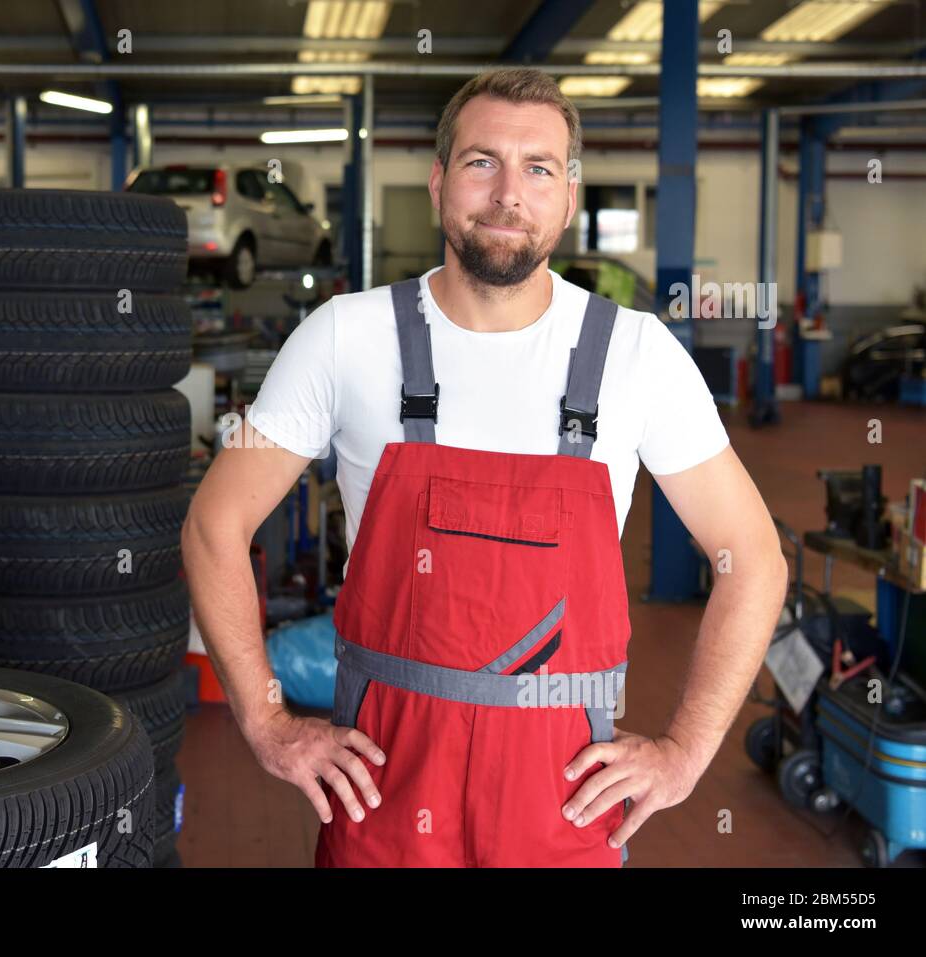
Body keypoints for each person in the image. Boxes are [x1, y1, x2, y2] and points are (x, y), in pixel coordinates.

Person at [181, 67, 788, 867]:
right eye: (481, 162)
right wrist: (265, 722)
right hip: (384, 804)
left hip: (562, 809)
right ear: (439, 182)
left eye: (539, 168)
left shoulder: (637, 355)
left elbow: (754, 559)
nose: (509, 194)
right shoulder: (345, 337)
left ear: (567, 198)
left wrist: (684, 751)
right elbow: (214, 524)